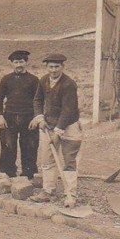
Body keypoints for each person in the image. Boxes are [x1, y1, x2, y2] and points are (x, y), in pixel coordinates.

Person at [30, 53, 82, 208]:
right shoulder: (44, 80)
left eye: (57, 67)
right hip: (49, 125)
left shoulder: (69, 84)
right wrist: (40, 118)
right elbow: (37, 100)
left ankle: (70, 194)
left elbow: (68, 110)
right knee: (47, 159)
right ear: (46, 67)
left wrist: (58, 132)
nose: (53, 70)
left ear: (63, 67)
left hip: (69, 126)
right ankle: (48, 190)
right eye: (51, 67)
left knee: (69, 160)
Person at [0, 50, 40, 179]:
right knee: (8, 146)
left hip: (29, 118)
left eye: (21, 62)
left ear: (26, 63)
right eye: (16, 62)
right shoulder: (6, 79)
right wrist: (0, 116)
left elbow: (39, 101)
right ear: (12, 63)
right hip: (9, 118)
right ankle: (8, 175)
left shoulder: (34, 80)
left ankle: (29, 175)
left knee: (30, 146)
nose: (19, 65)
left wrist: (36, 118)